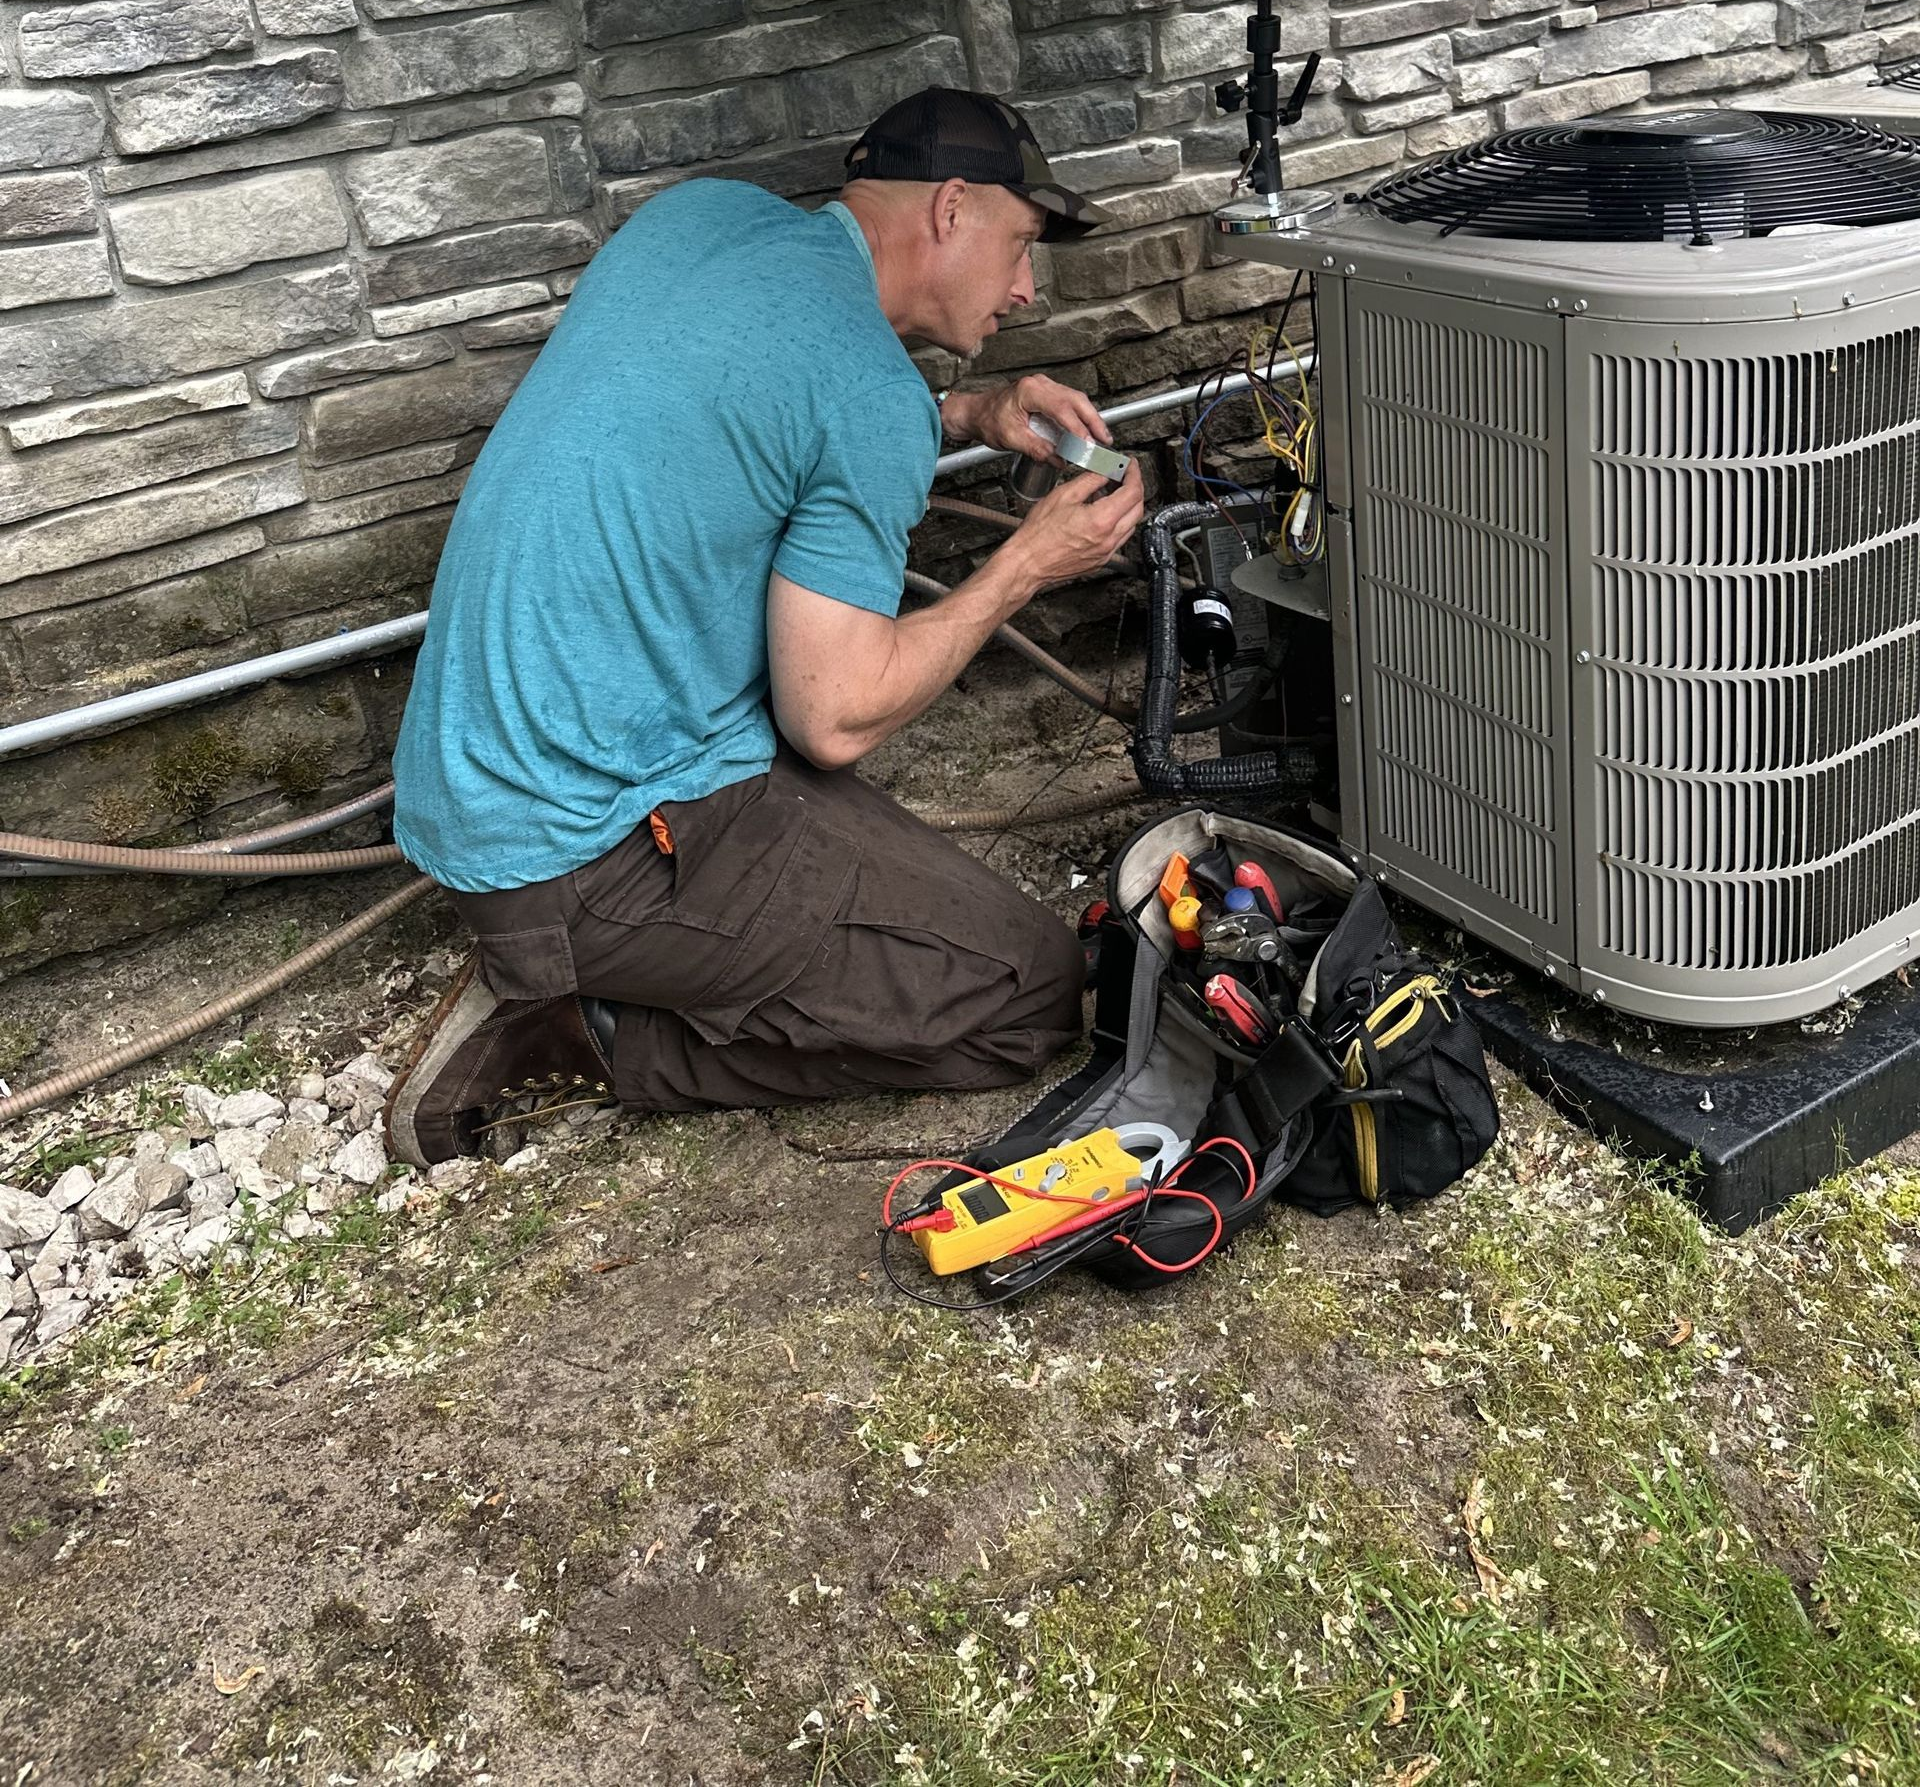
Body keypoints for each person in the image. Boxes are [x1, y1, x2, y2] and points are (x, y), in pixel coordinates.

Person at [383, 86, 1147, 1166]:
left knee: (922, 897)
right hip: (586, 853)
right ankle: (586, 1032)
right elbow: (833, 717)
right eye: (1022, 244)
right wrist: (1025, 565)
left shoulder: (697, 221)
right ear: (953, 209)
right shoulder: (863, 387)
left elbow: (754, 414)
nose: (1025, 290)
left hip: (489, 789)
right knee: (1031, 992)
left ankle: (596, 965)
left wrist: (964, 413)